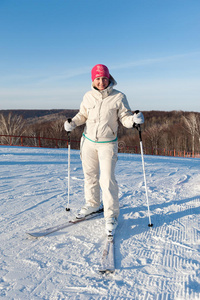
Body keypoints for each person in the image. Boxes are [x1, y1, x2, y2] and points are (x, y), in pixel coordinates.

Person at [64, 64, 144, 234]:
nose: (101, 82)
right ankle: (93, 205)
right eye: (98, 79)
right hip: (88, 142)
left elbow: (124, 117)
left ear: (109, 78)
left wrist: (134, 121)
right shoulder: (88, 96)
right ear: (93, 80)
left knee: (107, 179)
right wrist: (72, 123)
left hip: (108, 143)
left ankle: (111, 216)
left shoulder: (119, 97)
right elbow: (83, 115)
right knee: (90, 176)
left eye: (104, 78)